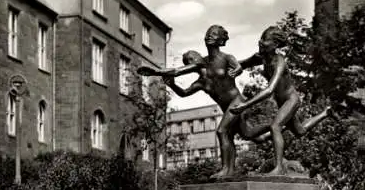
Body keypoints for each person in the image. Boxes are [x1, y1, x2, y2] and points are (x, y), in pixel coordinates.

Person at [139, 25, 269, 178]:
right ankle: (276, 127)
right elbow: (182, 88)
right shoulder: (201, 82)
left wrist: (238, 69)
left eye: (192, 58)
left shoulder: (225, 58)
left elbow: (239, 65)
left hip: (237, 102)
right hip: (228, 108)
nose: (190, 62)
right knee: (250, 135)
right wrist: (167, 80)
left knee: (222, 131)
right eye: (188, 61)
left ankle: (227, 171)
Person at [230, 26, 338, 175]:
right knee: (300, 131)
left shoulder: (279, 62)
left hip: (291, 100)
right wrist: (234, 68)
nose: (261, 43)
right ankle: (326, 113)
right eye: (261, 39)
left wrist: (245, 105)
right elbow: (242, 64)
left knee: (275, 126)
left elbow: (269, 90)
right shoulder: (261, 57)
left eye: (265, 41)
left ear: (275, 45)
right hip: (282, 102)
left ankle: (279, 167)